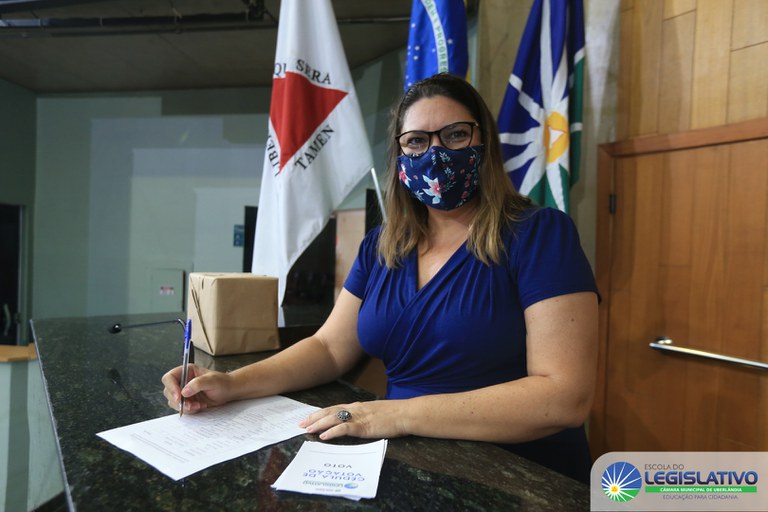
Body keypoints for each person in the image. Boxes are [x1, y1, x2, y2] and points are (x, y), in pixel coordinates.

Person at [162, 73, 599, 484]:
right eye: (417, 141)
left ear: (484, 142)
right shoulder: (383, 245)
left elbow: (564, 397)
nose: (436, 153)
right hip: (405, 460)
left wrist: (395, 414)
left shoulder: (540, 235)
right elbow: (329, 348)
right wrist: (232, 384)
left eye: (455, 135)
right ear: (400, 155)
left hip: (518, 473)